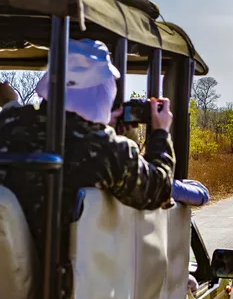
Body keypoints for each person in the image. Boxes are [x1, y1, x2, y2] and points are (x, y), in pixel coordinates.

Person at [0, 39, 175, 254]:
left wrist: (102, 126)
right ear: (101, 90)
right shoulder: (107, 149)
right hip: (68, 282)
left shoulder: (7, 125)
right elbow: (159, 190)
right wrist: (160, 132)